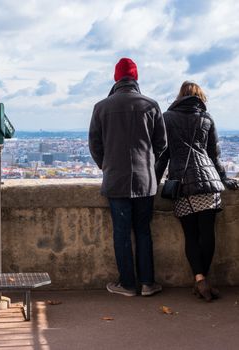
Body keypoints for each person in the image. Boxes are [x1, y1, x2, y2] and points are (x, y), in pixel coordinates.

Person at [89, 58, 167, 297]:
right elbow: (161, 144)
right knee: (143, 231)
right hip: (145, 181)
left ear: (116, 78)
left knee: (121, 233)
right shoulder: (151, 105)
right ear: (135, 78)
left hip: (115, 180)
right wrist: (148, 166)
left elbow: (95, 144)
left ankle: (127, 284)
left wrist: (107, 165)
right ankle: (147, 283)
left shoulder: (101, 107)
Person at [155, 81, 238, 301]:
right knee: (207, 233)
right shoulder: (206, 118)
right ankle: (204, 281)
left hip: (182, 184)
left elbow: (163, 155)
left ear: (179, 96)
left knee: (191, 235)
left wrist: (153, 181)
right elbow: (215, 155)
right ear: (200, 97)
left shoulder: (167, 118)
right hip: (208, 183)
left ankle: (200, 279)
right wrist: (224, 179)